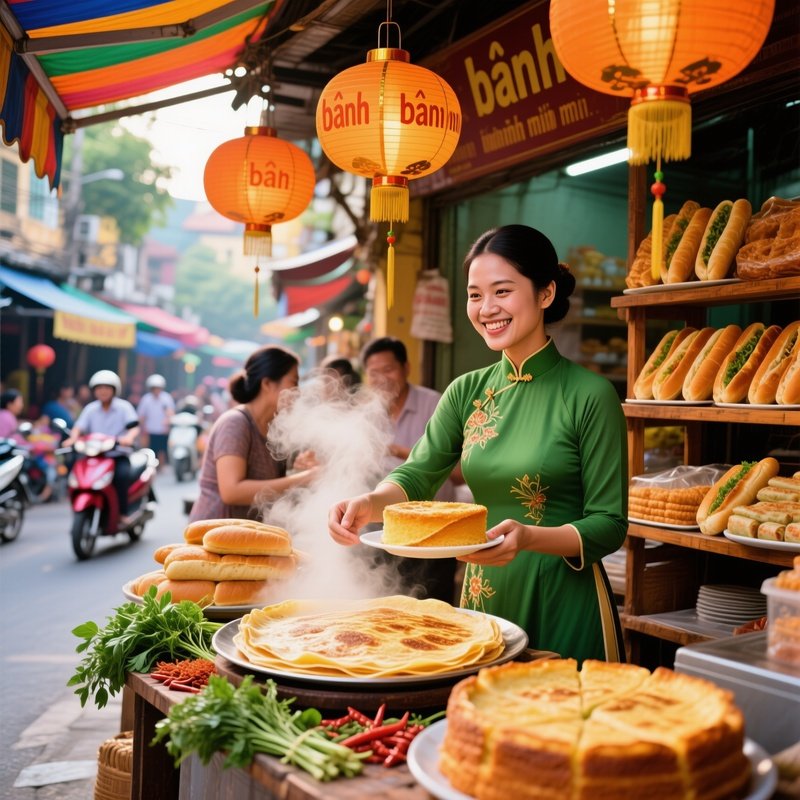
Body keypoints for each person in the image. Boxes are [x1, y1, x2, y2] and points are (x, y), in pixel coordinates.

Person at [329, 225, 628, 663]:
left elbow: (609, 524)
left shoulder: (590, 395)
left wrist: (529, 538)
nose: (487, 309)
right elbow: (418, 474)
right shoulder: (466, 392)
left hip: (565, 594)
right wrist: (368, 504)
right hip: (484, 597)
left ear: (545, 294)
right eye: (475, 295)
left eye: (502, 292)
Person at [357, 336, 463, 602]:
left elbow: (462, 473)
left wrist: (403, 451)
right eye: (374, 373)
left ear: (406, 368)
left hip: (435, 535)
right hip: (382, 534)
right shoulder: (365, 414)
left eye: (388, 369)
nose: (382, 378)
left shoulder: (436, 405)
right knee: (383, 614)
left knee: (437, 615)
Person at [189, 345, 318, 522]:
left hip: (245, 535)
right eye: (293, 382)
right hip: (215, 534)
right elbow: (231, 491)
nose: (298, 392)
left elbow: (279, 482)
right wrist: (303, 478)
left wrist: (301, 465)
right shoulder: (235, 423)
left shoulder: (276, 427)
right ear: (267, 384)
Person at [64, 370, 140, 523]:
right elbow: (79, 427)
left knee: (121, 477)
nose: (103, 391)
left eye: (107, 387)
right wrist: (72, 439)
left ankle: (123, 514)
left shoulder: (124, 407)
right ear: (94, 391)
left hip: (117, 455)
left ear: (114, 390)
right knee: (76, 475)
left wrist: (129, 438)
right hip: (94, 455)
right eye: (99, 388)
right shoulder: (90, 409)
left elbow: (134, 427)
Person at [137, 374, 175, 465]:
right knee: (150, 450)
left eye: (158, 388)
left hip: (162, 430)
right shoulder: (146, 399)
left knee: (162, 450)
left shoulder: (166, 398)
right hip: (150, 430)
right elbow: (141, 416)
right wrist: (142, 429)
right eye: (154, 388)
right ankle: (151, 466)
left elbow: (171, 413)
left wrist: (168, 424)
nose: (156, 390)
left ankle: (161, 466)